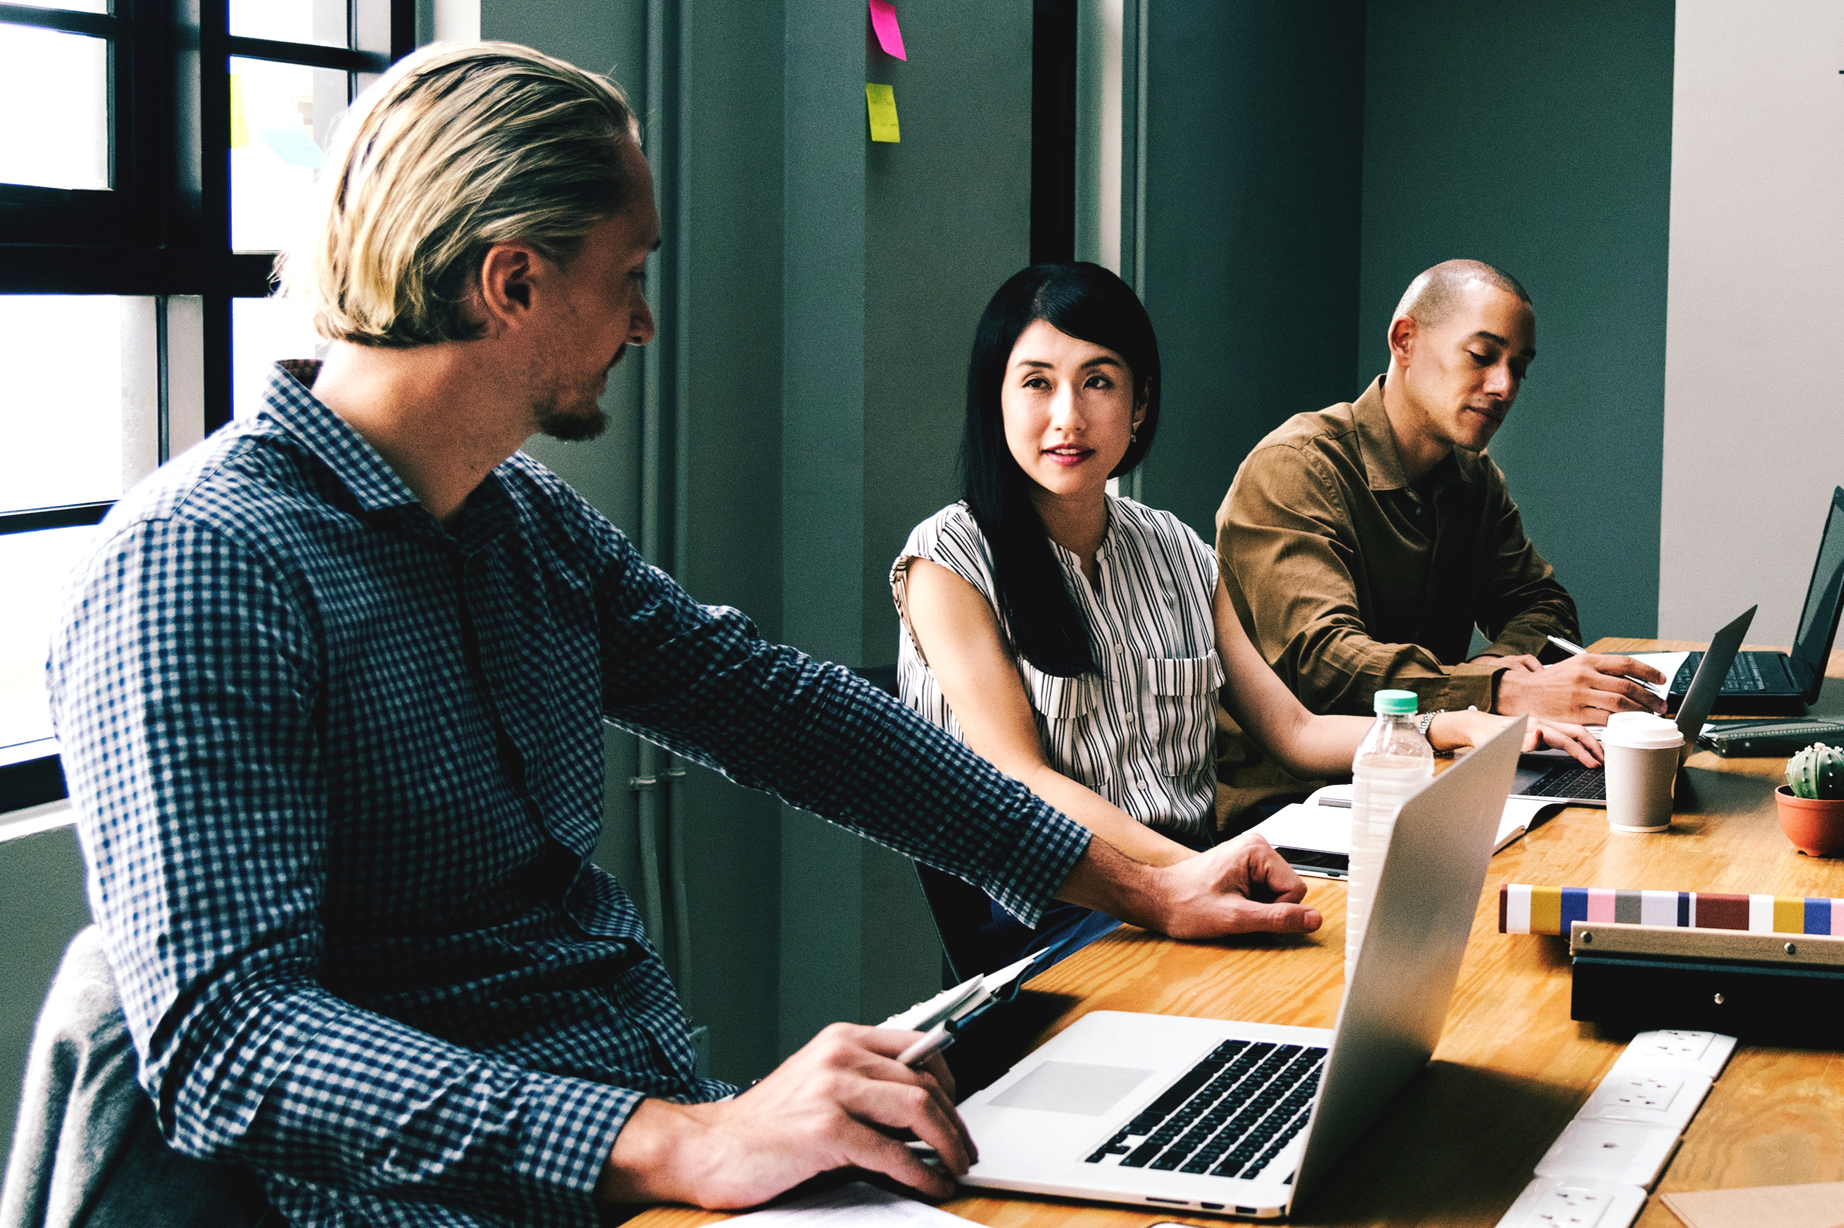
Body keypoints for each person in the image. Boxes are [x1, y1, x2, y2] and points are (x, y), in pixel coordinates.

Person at [44, 44, 1346, 1228]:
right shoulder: (201, 569)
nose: (645, 324)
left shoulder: (522, 524)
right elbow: (231, 1040)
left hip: (658, 1146)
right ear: (513, 282)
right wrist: (678, 1140)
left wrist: (1148, 883)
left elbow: (784, 713)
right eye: (629, 278)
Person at [892, 263, 1600, 969]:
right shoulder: (947, 560)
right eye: (1037, 382)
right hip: (1055, 922)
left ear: (1139, 404)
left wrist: (1456, 723)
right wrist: (1188, 873)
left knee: (1429, 939)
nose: (1068, 416)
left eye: (1099, 381)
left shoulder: (1175, 549)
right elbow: (1025, 780)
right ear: (997, 399)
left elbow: (1293, 731)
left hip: (1193, 888)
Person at [1216, 259, 1667, 723]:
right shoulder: (1294, 467)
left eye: (1519, 369)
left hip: (1434, 759)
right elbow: (1325, 664)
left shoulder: (1475, 479)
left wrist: (1494, 669)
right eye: (1481, 356)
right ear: (1404, 341)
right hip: (1303, 787)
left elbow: (1543, 605)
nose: (1504, 386)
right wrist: (1495, 691)